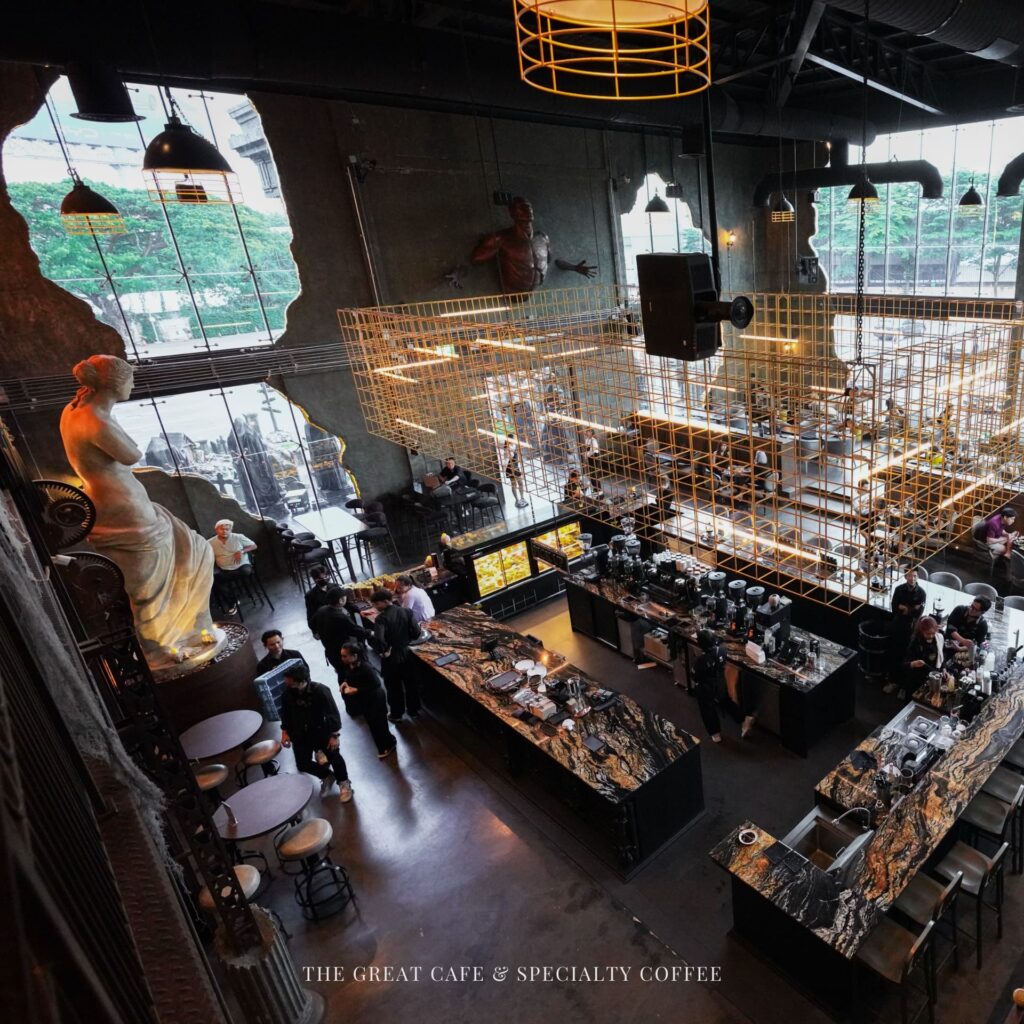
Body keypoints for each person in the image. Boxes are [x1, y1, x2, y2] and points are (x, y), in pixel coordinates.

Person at [446, 195, 596, 294]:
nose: (527, 209)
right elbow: (475, 260)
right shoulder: (501, 238)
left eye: (528, 206)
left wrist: (574, 267)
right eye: (522, 207)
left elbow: (554, 262)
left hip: (533, 295)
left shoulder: (542, 238)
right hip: (510, 294)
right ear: (513, 213)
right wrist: (458, 273)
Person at [280, 663, 353, 800]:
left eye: (291, 684)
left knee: (334, 758)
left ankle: (344, 782)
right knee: (302, 763)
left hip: (322, 732)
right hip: (300, 734)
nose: (288, 686)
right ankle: (326, 776)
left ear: (302, 682)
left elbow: (333, 714)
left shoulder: (320, 691)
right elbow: (285, 714)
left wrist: (334, 735)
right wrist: (285, 731)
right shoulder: (288, 694)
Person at [371, 588, 422, 721]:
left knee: (393, 687)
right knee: (411, 684)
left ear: (386, 601)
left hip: (391, 657)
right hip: (406, 653)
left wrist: (384, 651)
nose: (375, 607)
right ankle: (414, 710)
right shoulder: (406, 611)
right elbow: (417, 632)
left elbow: (379, 639)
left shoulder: (381, 619)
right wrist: (407, 640)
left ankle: (396, 714)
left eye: (377, 604)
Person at [339, 642, 397, 759]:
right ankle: (389, 740)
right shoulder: (350, 665)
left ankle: (387, 745)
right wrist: (345, 682)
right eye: (342, 656)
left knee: (379, 725)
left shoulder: (366, 668)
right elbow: (349, 676)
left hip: (375, 700)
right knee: (373, 724)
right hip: (365, 700)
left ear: (354, 656)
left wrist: (357, 690)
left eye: (345, 656)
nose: (342, 659)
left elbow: (376, 684)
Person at [310, 586, 374, 676]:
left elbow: (311, 623)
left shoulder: (322, 610)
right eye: (345, 597)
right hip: (345, 654)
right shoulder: (339, 617)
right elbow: (354, 630)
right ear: (340, 600)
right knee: (355, 674)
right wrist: (370, 632)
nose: (346, 598)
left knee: (341, 674)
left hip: (330, 652)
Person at [208, 519, 257, 614]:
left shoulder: (238, 537)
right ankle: (232, 602)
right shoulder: (210, 542)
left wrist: (242, 551)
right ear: (216, 530)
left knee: (245, 571)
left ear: (231, 530)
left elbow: (254, 546)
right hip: (225, 569)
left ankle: (231, 591)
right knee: (215, 580)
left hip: (242, 566)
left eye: (227, 529)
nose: (225, 531)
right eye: (222, 529)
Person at [692, 629, 727, 743]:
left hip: (705, 688)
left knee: (707, 710)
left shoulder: (701, 660)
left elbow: (695, 676)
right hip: (719, 684)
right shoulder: (721, 650)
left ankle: (715, 734)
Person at [901, 615, 945, 698]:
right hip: (916, 679)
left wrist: (944, 668)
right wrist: (913, 664)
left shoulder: (938, 638)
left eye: (933, 633)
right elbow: (904, 665)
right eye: (928, 634)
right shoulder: (915, 643)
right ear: (921, 631)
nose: (931, 636)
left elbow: (941, 655)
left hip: (932, 677)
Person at [503, 437, 528, 508]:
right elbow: (508, 459)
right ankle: (518, 500)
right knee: (516, 484)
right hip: (512, 468)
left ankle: (520, 499)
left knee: (518, 483)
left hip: (514, 467)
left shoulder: (513, 447)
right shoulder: (508, 449)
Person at [582, 428, 603, 497]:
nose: (586, 433)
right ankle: (595, 489)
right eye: (586, 431)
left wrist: (587, 454)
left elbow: (594, 450)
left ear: (591, 432)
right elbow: (586, 449)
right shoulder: (587, 440)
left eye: (588, 431)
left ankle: (599, 491)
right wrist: (585, 454)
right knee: (591, 474)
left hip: (594, 457)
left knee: (595, 474)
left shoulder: (593, 440)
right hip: (590, 458)